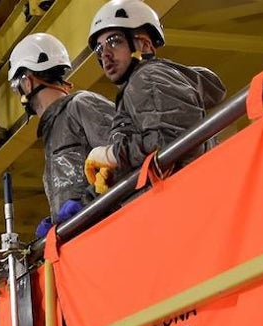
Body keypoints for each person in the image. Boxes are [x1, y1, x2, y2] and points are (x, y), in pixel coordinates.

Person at [83, 0, 225, 193]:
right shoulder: (138, 85)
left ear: (145, 44)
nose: (105, 54)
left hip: (180, 198)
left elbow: (169, 140)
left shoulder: (148, 77)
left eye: (114, 41)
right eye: (99, 49)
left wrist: (113, 155)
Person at [8, 32, 115, 237]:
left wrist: (85, 204)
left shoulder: (80, 105)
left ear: (27, 81)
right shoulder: (52, 132)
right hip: (85, 239)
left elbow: (124, 157)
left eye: (17, 86)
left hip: (109, 230)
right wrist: (58, 222)